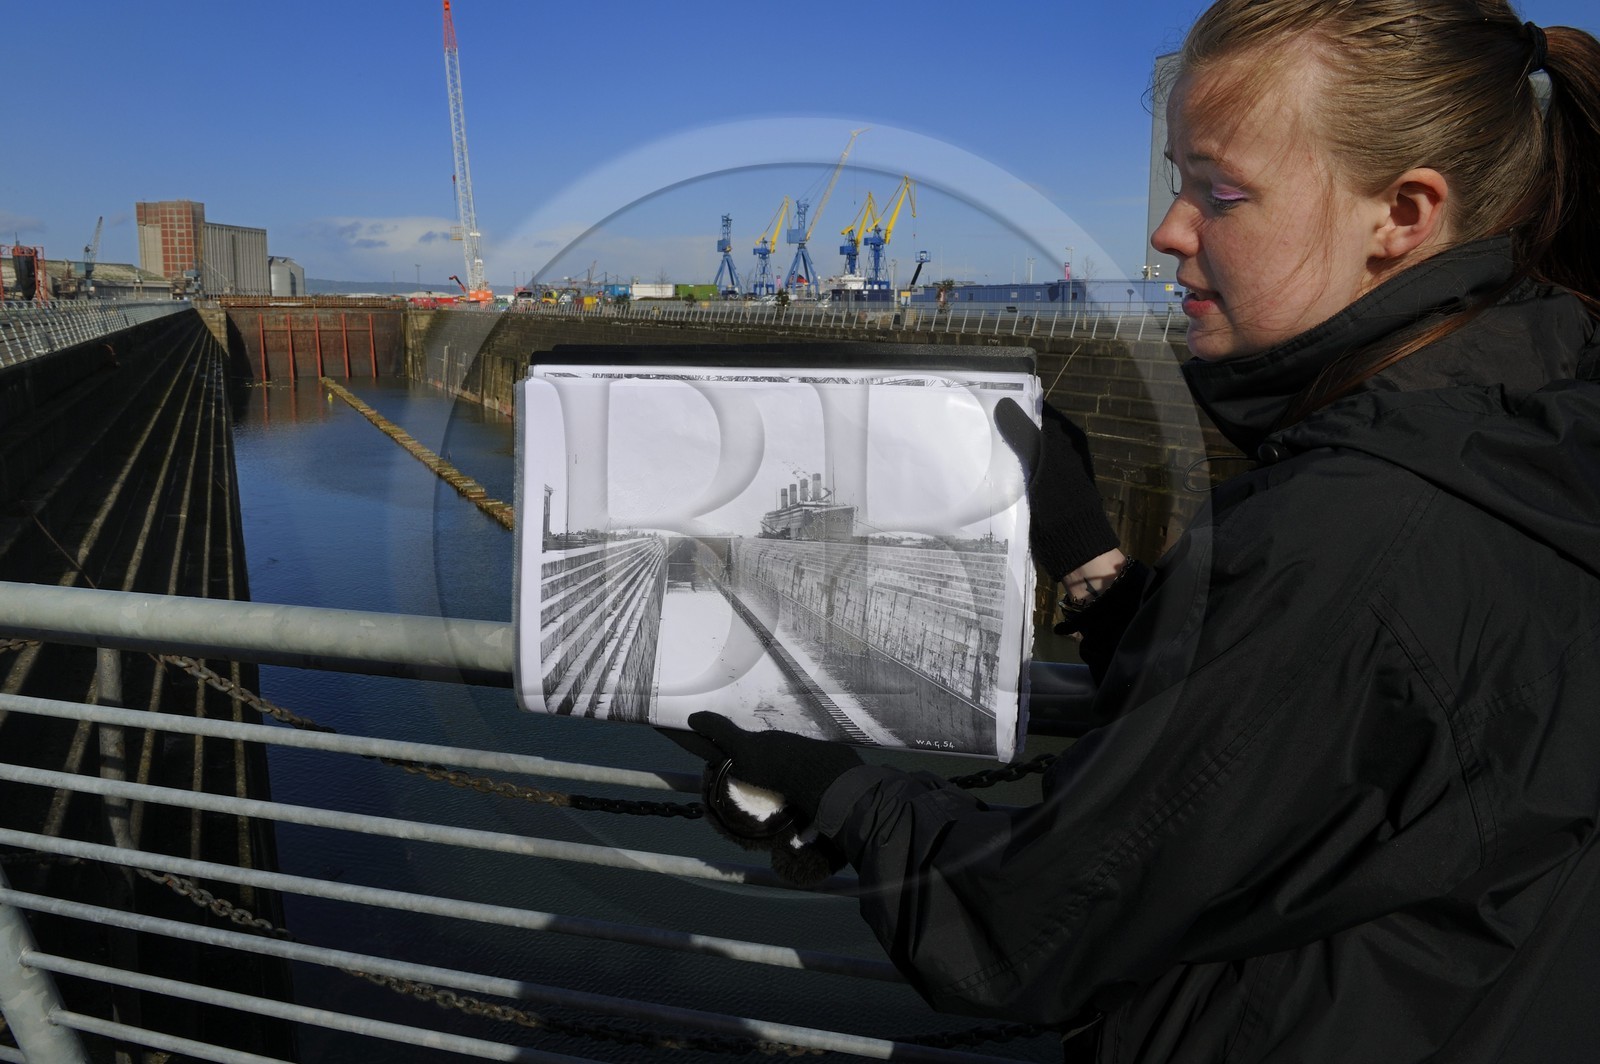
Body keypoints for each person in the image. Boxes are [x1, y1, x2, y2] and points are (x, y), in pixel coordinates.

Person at [686, 1, 1600, 1060]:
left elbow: (1020, 928)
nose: (1167, 228)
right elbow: (1316, 742)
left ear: (1400, 213)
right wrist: (1089, 557)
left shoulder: (1357, 527)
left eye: (1219, 190)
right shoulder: (1530, 429)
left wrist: (839, 791)